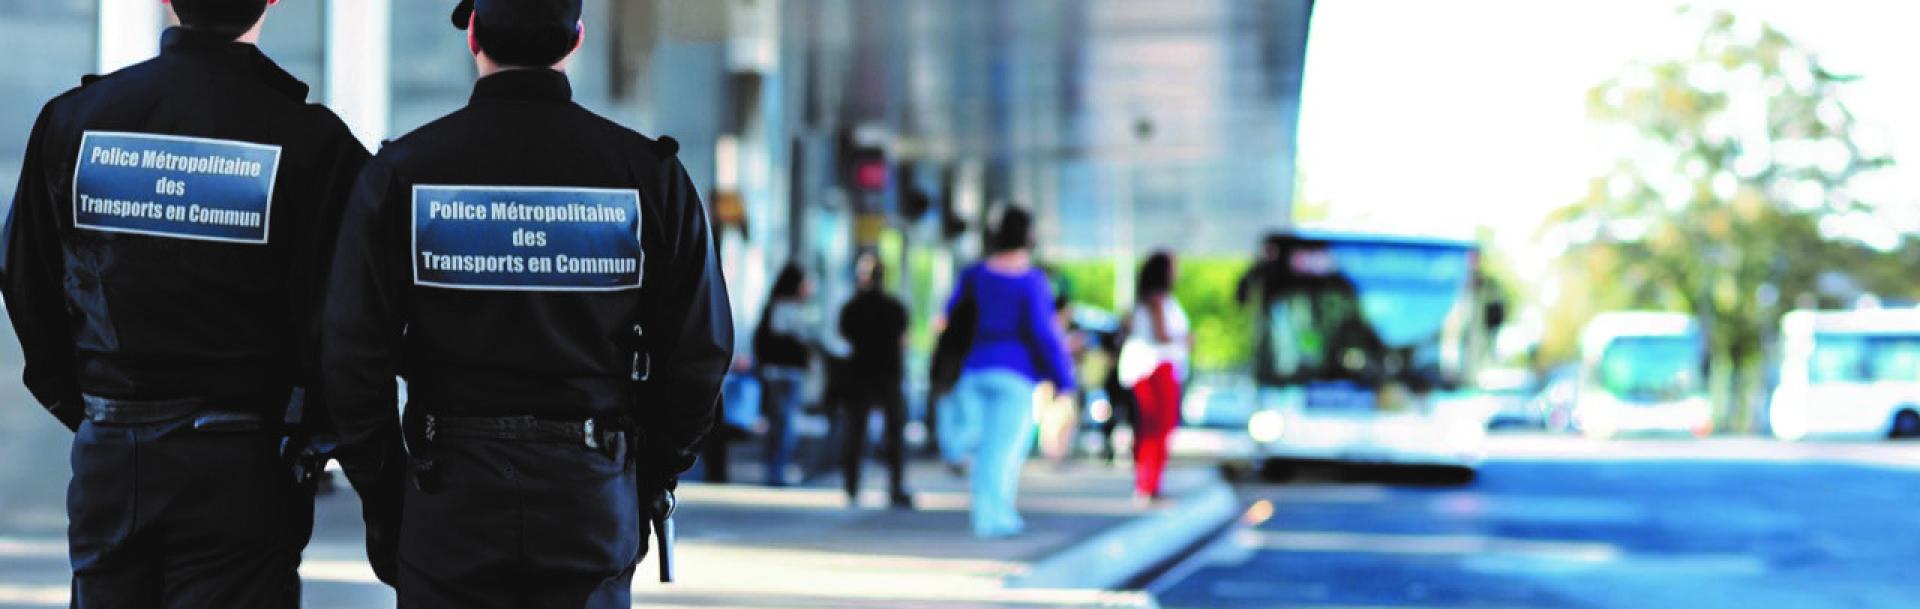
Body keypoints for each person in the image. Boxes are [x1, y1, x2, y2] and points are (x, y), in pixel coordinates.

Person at [320, 0, 733, 605]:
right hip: (588, 497)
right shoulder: (648, 176)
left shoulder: (402, 174)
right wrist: (643, 482)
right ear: (577, 41)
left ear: (474, 38)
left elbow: (350, 353)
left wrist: (387, 496)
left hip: (449, 498)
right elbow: (701, 353)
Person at [0, 1, 368, 605]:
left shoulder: (76, 121)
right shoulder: (313, 142)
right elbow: (352, 320)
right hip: (243, 471)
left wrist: (94, 407)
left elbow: (26, 281)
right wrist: (311, 439)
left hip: (113, 458)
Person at [944, 207, 1075, 538]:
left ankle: (985, 509)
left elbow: (949, 318)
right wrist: (1063, 379)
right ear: (1028, 236)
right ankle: (994, 518)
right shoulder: (1031, 281)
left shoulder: (974, 275)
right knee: (1003, 450)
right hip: (1014, 374)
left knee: (985, 448)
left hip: (972, 369)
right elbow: (1044, 334)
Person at [837, 253, 914, 508]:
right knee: (894, 433)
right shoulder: (895, 307)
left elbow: (845, 336)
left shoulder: (853, 307)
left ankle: (852, 483)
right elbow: (904, 340)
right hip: (888, 374)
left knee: (856, 431)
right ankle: (895, 485)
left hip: (861, 373)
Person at [1124, 251, 1191, 502]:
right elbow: (1162, 334)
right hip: (1156, 369)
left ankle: (1148, 483)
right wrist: (1185, 339)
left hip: (1151, 368)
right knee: (1157, 429)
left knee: (1151, 429)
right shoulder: (1158, 301)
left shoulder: (1147, 301)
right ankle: (1148, 485)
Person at [753, 263, 816, 487]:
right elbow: (790, 341)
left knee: (778, 423)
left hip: (775, 373)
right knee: (784, 424)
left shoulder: (774, 307)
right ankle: (777, 470)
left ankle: (775, 468)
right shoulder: (787, 309)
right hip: (785, 374)